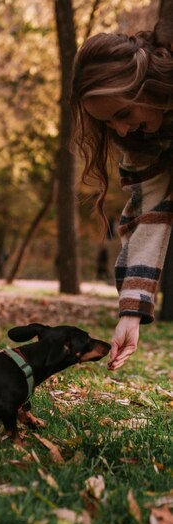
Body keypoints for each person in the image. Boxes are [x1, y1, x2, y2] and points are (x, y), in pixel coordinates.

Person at [70, 26, 173, 370]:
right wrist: (131, 312)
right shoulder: (141, 148)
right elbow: (149, 219)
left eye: (124, 113)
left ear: (147, 86)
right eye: (109, 123)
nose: (123, 130)